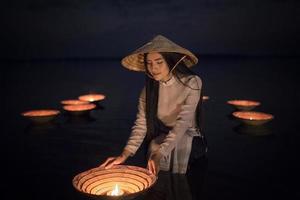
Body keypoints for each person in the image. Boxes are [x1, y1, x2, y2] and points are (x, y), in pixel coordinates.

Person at [100, 35, 207, 175]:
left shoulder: (192, 82)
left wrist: (160, 153)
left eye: (159, 62)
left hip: (189, 139)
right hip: (162, 139)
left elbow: (183, 123)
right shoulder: (148, 91)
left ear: (170, 61)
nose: (153, 68)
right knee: (155, 158)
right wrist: (124, 154)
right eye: (149, 63)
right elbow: (141, 124)